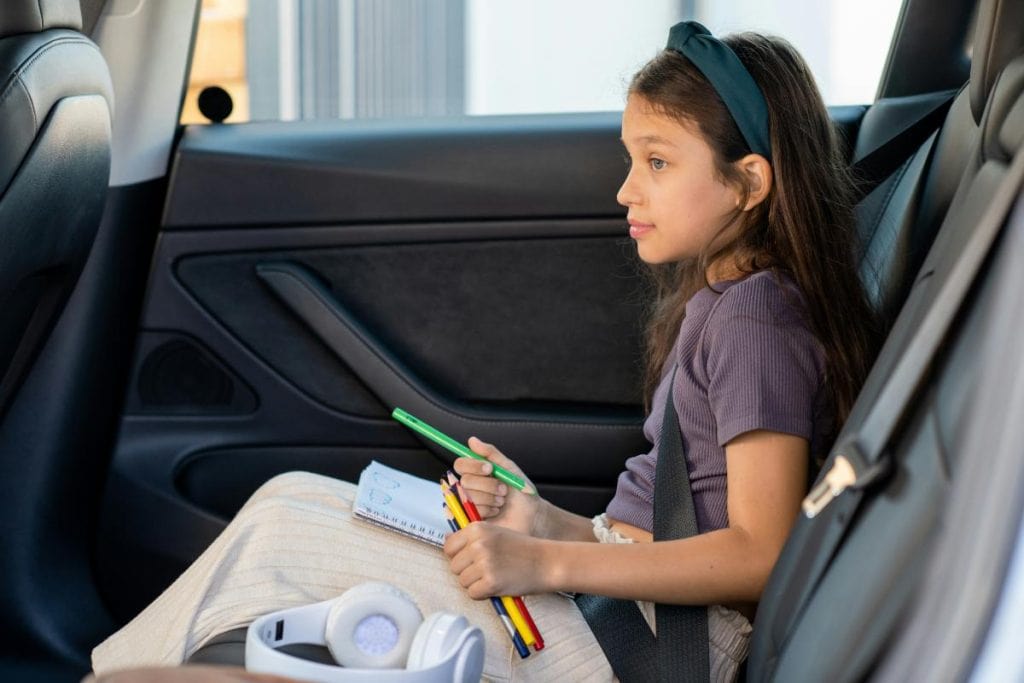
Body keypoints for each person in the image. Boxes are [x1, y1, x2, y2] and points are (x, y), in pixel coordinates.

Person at [91, 21, 876, 683]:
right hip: (627, 603)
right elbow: (656, 524)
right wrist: (540, 517)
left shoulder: (757, 323)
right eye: (632, 158)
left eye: (658, 162)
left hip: (656, 644)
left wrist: (542, 563)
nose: (625, 189)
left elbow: (761, 553)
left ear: (749, 183)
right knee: (288, 498)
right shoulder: (725, 303)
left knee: (275, 543)